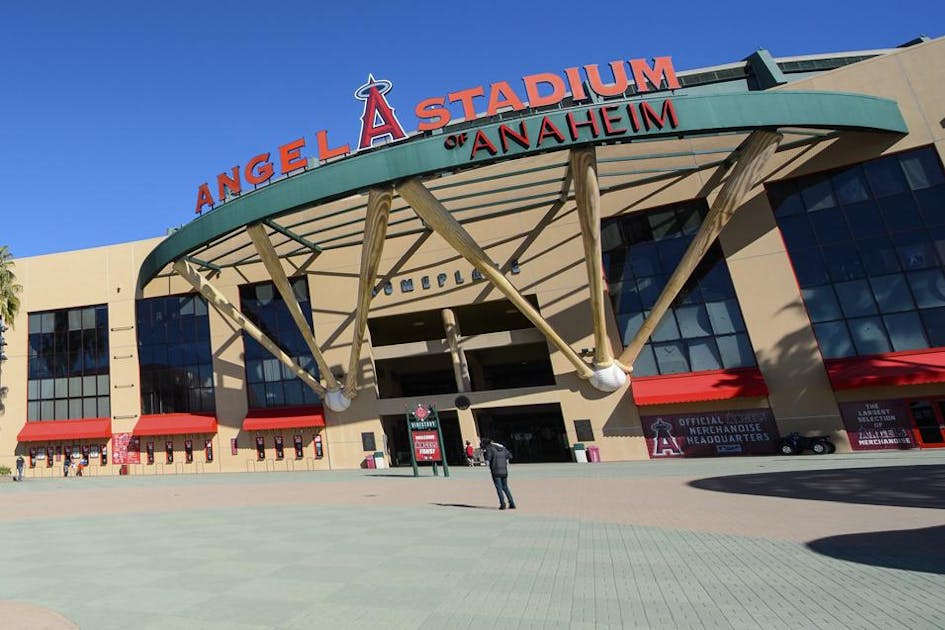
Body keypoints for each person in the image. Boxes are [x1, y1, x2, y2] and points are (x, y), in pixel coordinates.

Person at [482, 438, 516, 510]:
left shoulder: (489, 448)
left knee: (499, 488)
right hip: (504, 470)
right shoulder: (503, 447)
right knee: (505, 487)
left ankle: (502, 504)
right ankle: (512, 503)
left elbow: (488, 459)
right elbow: (510, 456)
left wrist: (485, 454)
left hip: (495, 470)